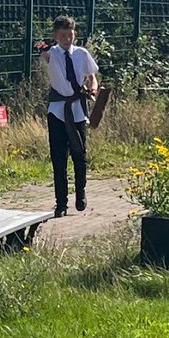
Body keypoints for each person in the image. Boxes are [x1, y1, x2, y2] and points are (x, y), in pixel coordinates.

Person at [44, 14, 98, 217]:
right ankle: (61, 203)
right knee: (58, 158)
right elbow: (45, 54)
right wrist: (41, 47)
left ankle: (81, 191)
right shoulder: (53, 54)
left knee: (79, 154)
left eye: (71, 34)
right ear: (56, 36)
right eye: (63, 35)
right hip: (58, 111)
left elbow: (92, 77)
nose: (68, 38)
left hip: (77, 111)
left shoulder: (82, 54)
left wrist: (92, 89)